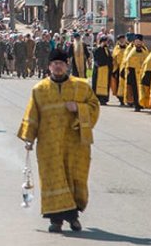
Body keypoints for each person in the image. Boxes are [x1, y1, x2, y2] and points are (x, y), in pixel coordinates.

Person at [18, 49, 100, 233]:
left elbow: (94, 106)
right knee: (53, 180)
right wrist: (29, 138)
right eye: (54, 63)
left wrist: (79, 108)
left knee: (74, 177)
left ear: (66, 65)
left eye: (61, 63)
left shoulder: (81, 86)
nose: (58, 66)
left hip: (75, 143)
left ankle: (74, 216)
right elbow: (32, 114)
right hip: (49, 144)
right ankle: (57, 220)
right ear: (49, 67)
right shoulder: (39, 89)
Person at [122, 34, 148, 110]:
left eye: (140, 42)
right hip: (133, 74)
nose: (138, 43)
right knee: (135, 90)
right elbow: (128, 62)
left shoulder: (145, 51)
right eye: (137, 42)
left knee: (142, 89)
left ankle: (142, 103)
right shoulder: (131, 51)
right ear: (134, 42)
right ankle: (136, 105)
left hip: (142, 73)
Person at [91, 36, 113, 105]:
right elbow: (96, 59)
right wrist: (102, 64)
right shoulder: (96, 49)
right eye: (105, 41)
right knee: (97, 84)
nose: (106, 43)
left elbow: (109, 58)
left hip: (106, 70)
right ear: (101, 42)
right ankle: (97, 98)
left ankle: (104, 99)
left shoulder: (107, 49)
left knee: (106, 84)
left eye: (107, 41)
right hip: (99, 69)